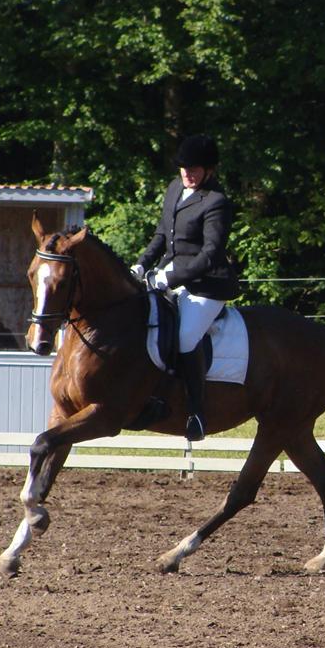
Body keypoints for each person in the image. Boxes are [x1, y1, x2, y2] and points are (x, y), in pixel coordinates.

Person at [131, 134, 239, 441]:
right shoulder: (175, 188)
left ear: (209, 170)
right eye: (183, 168)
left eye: (194, 169)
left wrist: (170, 278)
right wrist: (141, 263)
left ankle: (195, 412)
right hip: (171, 275)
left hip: (207, 285)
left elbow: (210, 254)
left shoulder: (216, 202)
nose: (187, 174)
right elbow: (162, 235)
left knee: (184, 337)